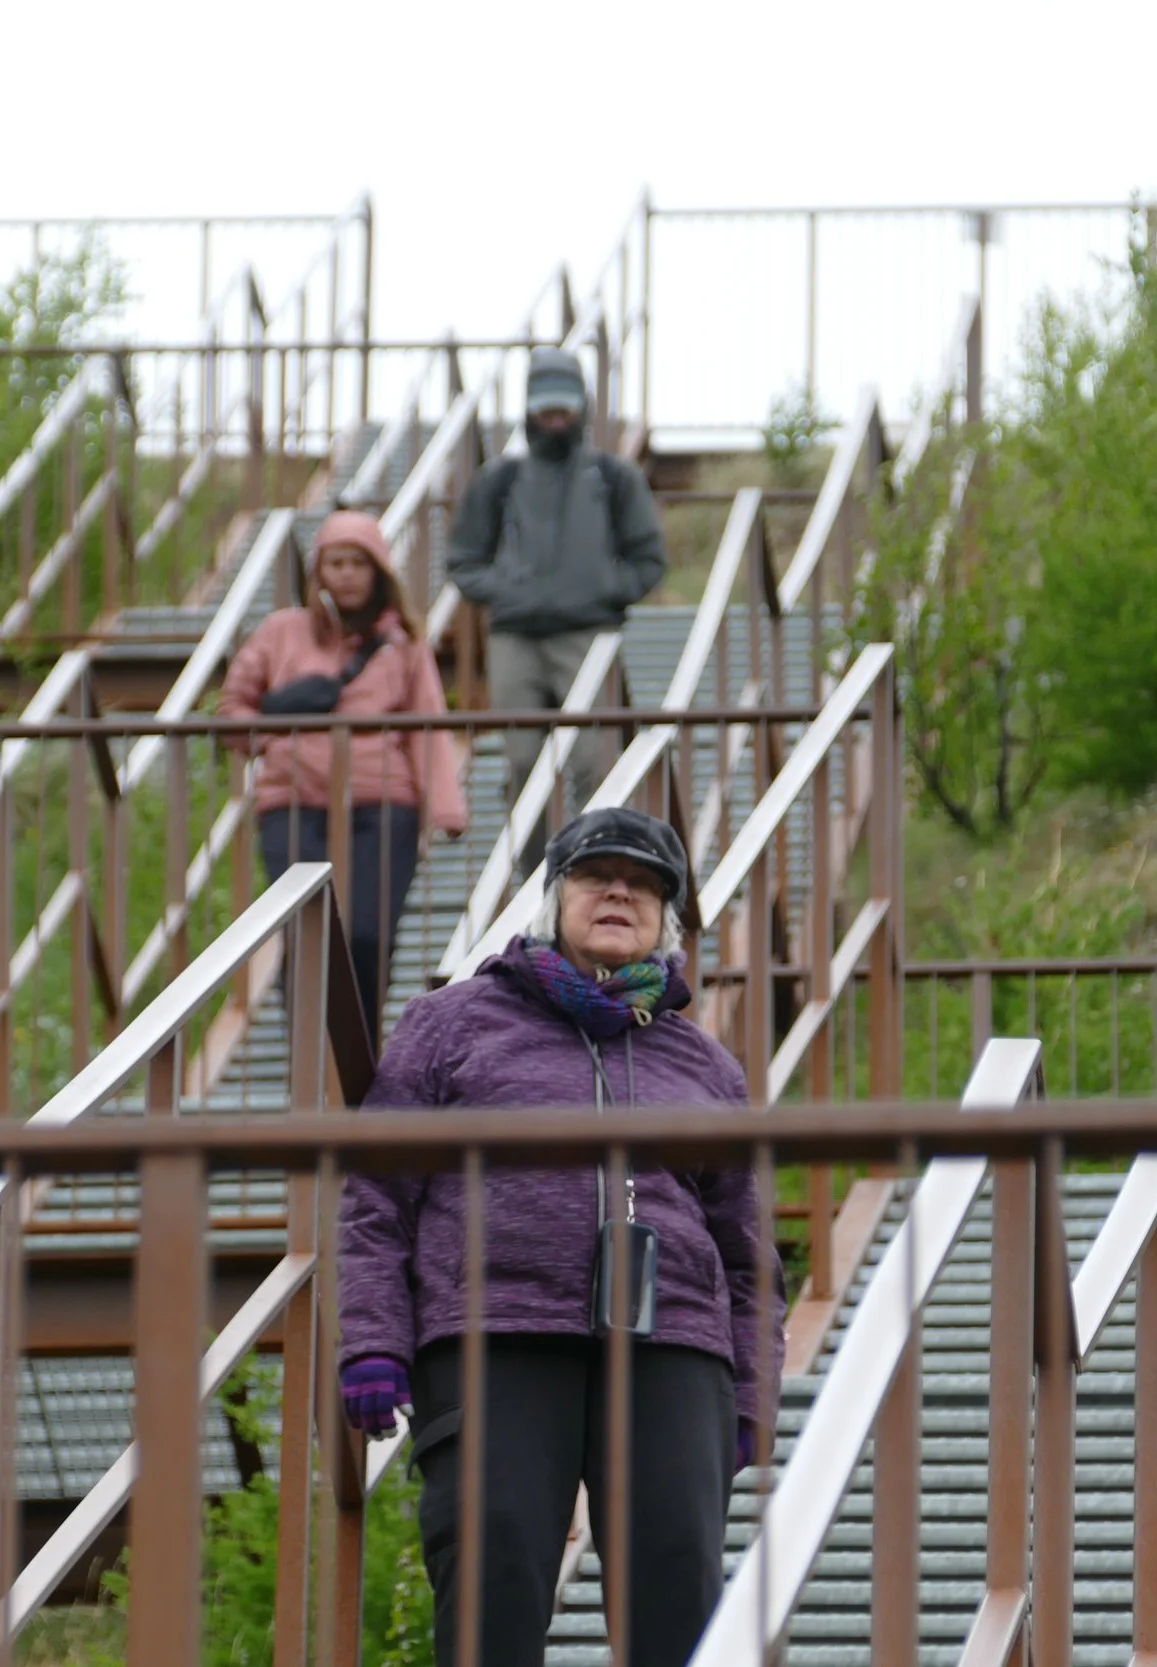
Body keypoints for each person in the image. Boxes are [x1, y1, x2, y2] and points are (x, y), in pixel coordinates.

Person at [334, 806, 784, 1667]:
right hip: (491, 1331)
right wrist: (372, 1339)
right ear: (551, 898)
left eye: (647, 883)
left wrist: (751, 1390)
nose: (620, 890)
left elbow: (747, 1248)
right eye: (595, 874)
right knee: (491, 1565)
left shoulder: (705, 1065)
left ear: (667, 918)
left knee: (680, 1582)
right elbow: (375, 1196)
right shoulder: (451, 1024)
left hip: (673, 1345)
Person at [218, 509, 467, 1041]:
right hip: (293, 799)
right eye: (336, 562)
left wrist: (444, 806)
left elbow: (427, 724)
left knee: (368, 933)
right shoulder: (280, 632)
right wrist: (273, 729)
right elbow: (233, 713)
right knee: (306, 930)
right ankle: (305, 1063)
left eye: (359, 562)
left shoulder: (403, 643)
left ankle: (360, 1058)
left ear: (379, 571)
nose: (348, 574)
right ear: (318, 572)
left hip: (383, 802)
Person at [447, 348, 667, 875]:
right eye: (545, 407)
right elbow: (462, 561)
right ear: (528, 410)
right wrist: (507, 591)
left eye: (564, 407)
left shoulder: (613, 478)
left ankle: (599, 868)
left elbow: (649, 558)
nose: (555, 418)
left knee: (596, 761)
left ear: (581, 408)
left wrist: (605, 591)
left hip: (590, 633)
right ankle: (537, 879)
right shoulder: (499, 480)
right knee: (523, 762)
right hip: (515, 638)